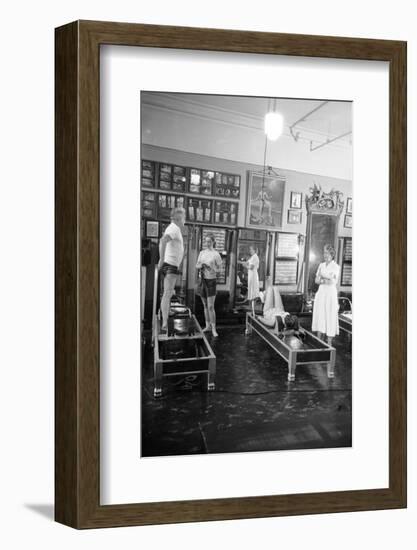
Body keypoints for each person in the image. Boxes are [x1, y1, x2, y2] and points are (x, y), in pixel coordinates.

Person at [157, 207, 186, 332]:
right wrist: (161, 259)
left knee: (168, 293)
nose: (184, 220)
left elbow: (162, 242)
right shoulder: (174, 228)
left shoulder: (173, 228)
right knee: (168, 293)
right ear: (179, 218)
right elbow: (162, 241)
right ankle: (164, 323)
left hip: (170, 264)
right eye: (184, 217)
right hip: (170, 265)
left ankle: (166, 313)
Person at [312, 244, 340, 345]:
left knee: (330, 315)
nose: (325, 255)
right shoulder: (321, 265)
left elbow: (332, 282)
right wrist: (325, 279)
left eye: (328, 253)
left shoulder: (336, 267)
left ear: (332, 254)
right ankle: (318, 342)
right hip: (321, 293)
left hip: (330, 295)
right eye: (324, 253)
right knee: (320, 315)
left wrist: (322, 279)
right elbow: (316, 280)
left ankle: (329, 344)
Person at [196, 234, 222, 337]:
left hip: (211, 281)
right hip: (202, 281)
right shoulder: (202, 253)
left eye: (209, 241)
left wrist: (213, 268)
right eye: (206, 241)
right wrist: (201, 265)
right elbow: (196, 265)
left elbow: (220, 269)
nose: (207, 243)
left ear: (213, 242)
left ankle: (214, 329)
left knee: (211, 306)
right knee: (205, 305)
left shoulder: (216, 254)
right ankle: (207, 326)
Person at [241, 245, 260, 315]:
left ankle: (253, 311)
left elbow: (251, 267)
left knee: (253, 293)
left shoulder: (255, 257)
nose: (250, 251)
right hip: (251, 276)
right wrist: (242, 262)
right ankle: (252, 311)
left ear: (254, 250)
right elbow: (247, 262)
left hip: (253, 276)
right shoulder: (252, 257)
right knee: (251, 291)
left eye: (251, 249)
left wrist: (245, 266)